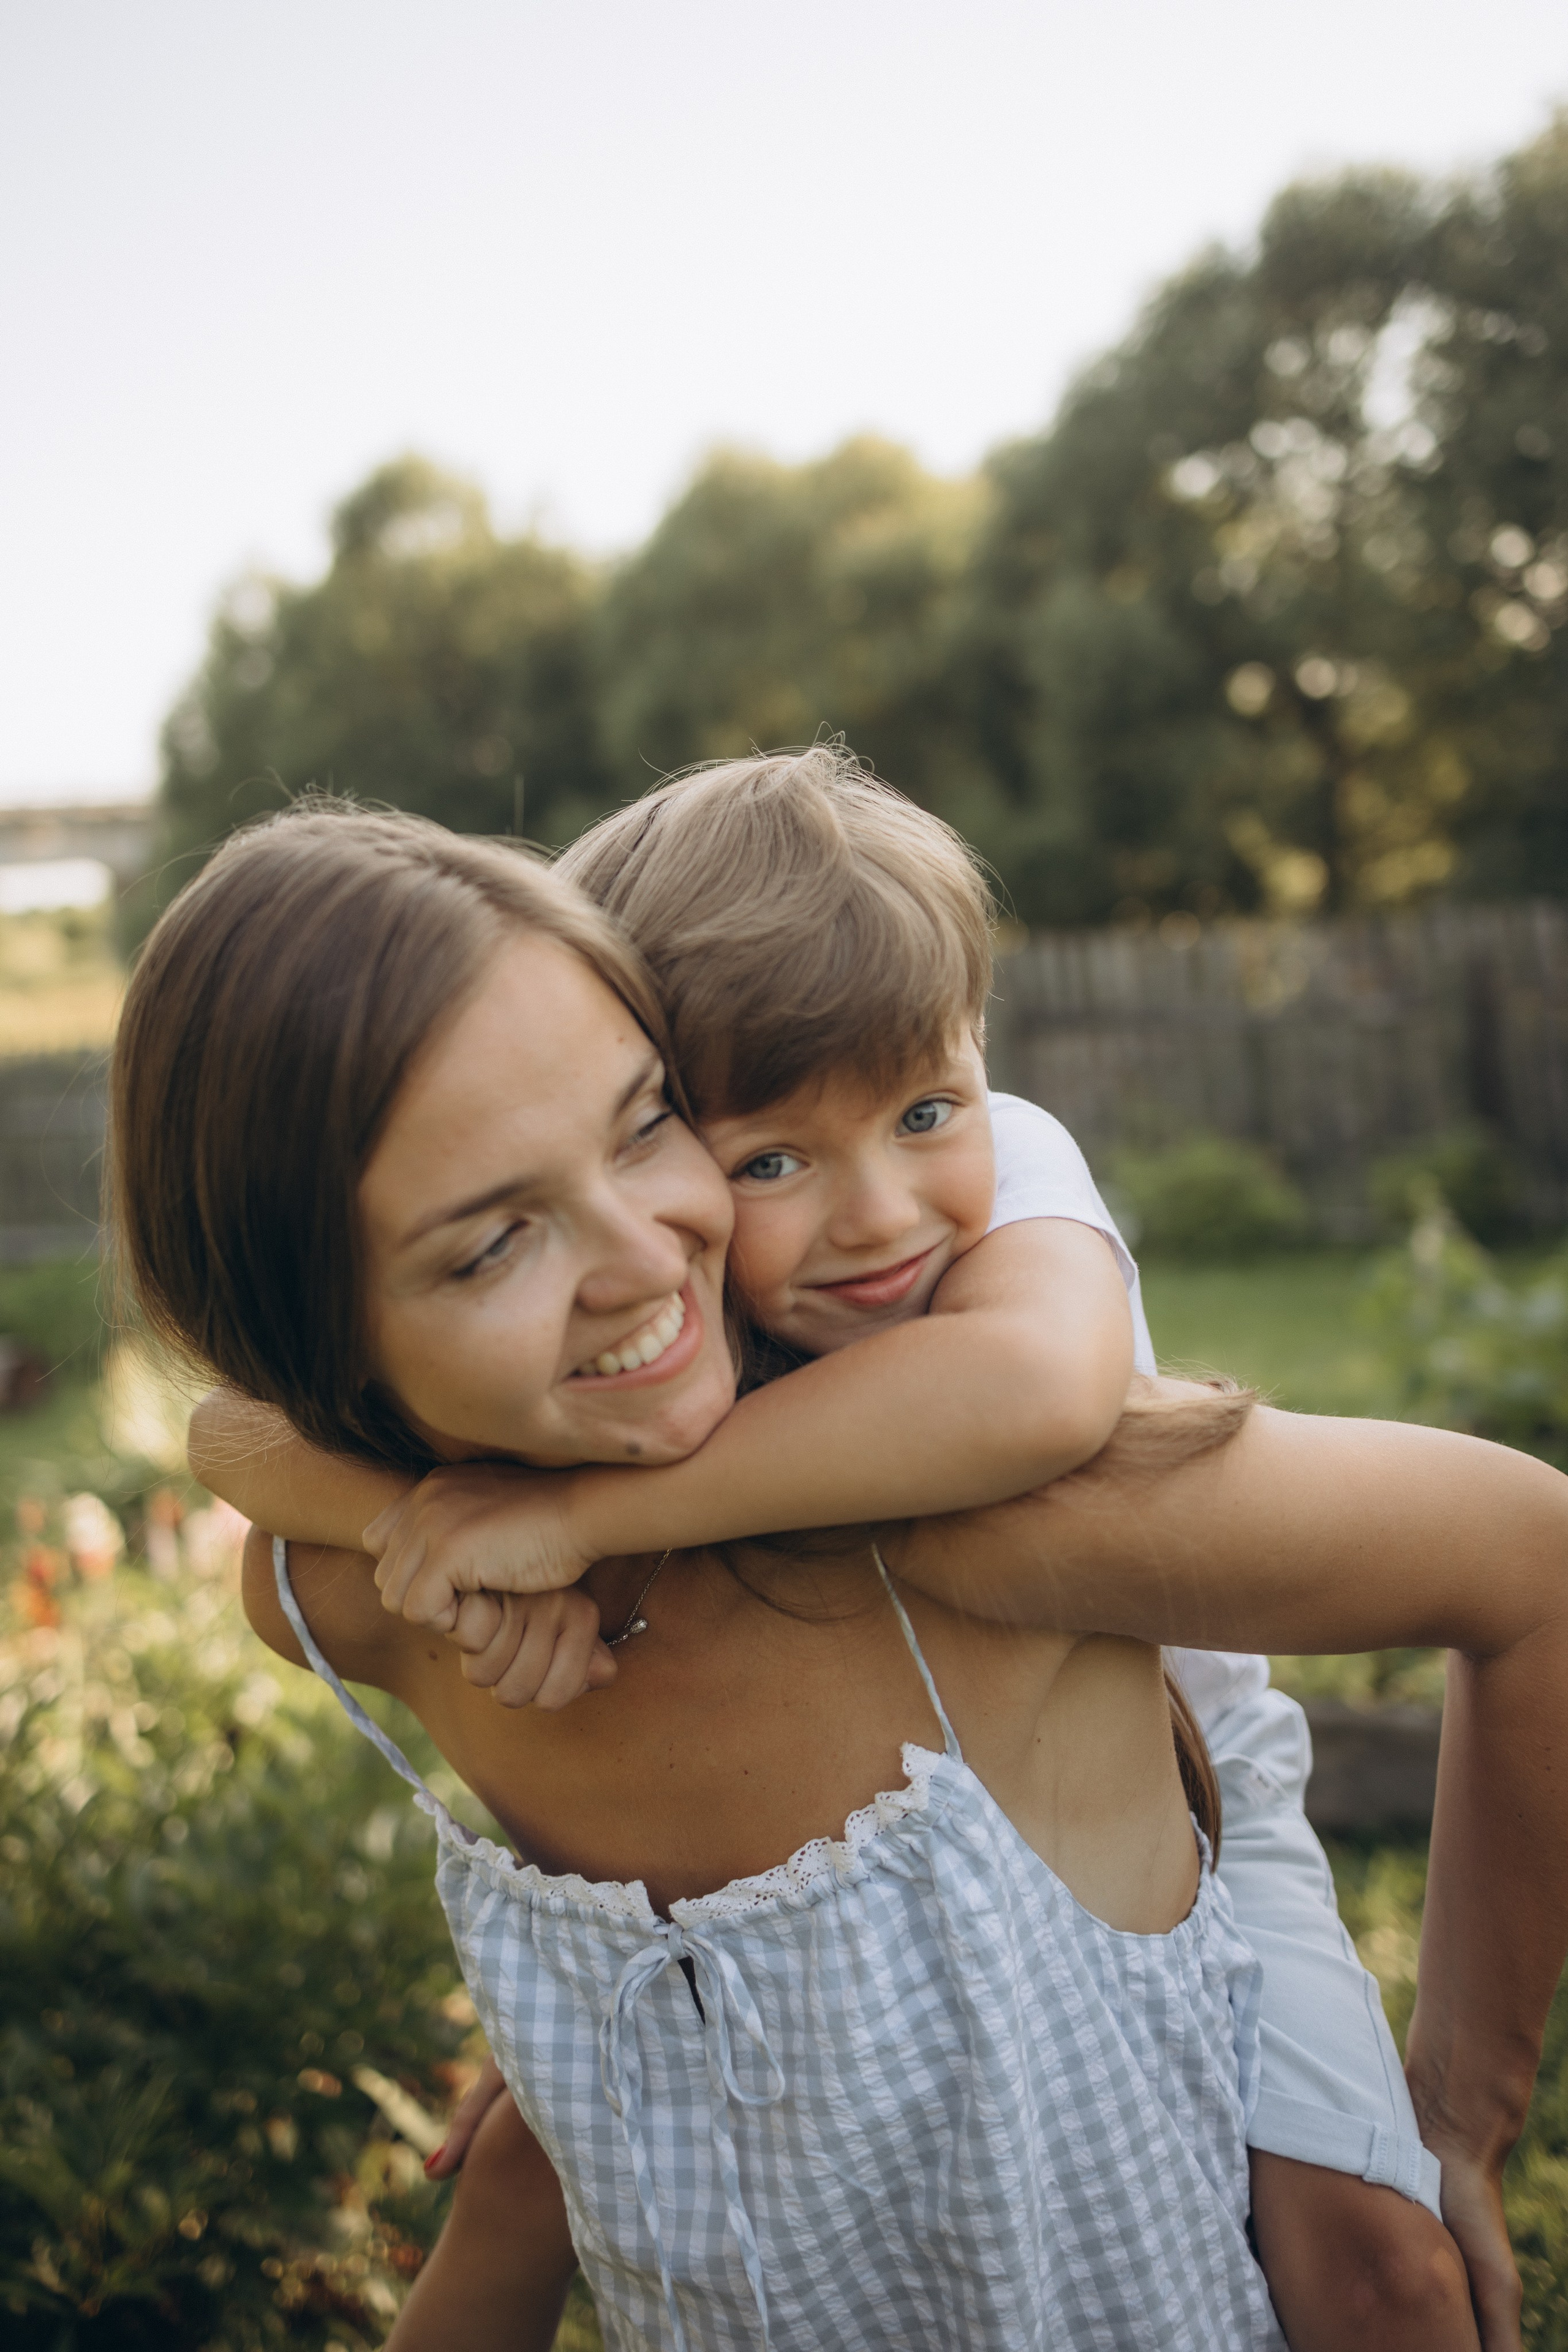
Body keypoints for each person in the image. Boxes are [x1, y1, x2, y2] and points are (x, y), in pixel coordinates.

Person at [116, 803, 1562, 2350]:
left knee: (1381, 2280)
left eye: (638, 1125)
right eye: (490, 1247)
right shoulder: (370, 1600)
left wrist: (1457, 2110)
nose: (647, 1256)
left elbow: (1522, 1556)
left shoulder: (979, 1517)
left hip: (1162, 2056)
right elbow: (236, 1434)